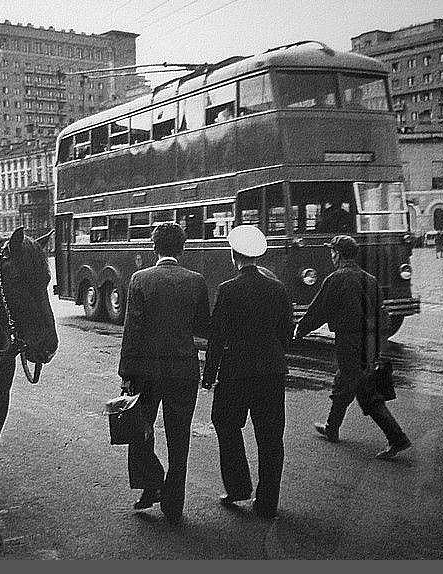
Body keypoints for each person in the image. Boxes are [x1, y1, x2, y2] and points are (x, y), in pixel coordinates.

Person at [118, 222, 210, 525]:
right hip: (184, 370)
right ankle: (174, 504)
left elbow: (132, 331)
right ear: (181, 249)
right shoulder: (196, 281)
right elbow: (202, 328)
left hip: (146, 370)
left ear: (154, 248)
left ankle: (150, 485)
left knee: (140, 430)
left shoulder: (140, 279)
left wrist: (126, 373)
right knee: (179, 436)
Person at [202, 225, 293, 520]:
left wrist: (208, 375)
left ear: (234, 255)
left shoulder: (228, 290)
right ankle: (267, 503)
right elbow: (286, 333)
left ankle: (238, 486)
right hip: (271, 370)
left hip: (236, 371)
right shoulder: (278, 288)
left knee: (224, 422)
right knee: (270, 436)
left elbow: (217, 337)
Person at [294, 235, 411, 459]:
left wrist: (300, 330)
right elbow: (384, 317)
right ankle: (332, 427)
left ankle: (397, 438)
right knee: (346, 381)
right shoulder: (370, 279)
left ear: (338, 254)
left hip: (348, 340)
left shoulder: (336, 279)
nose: (331, 256)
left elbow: (319, 310)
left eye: (332, 252)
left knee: (362, 389)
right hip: (370, 341)